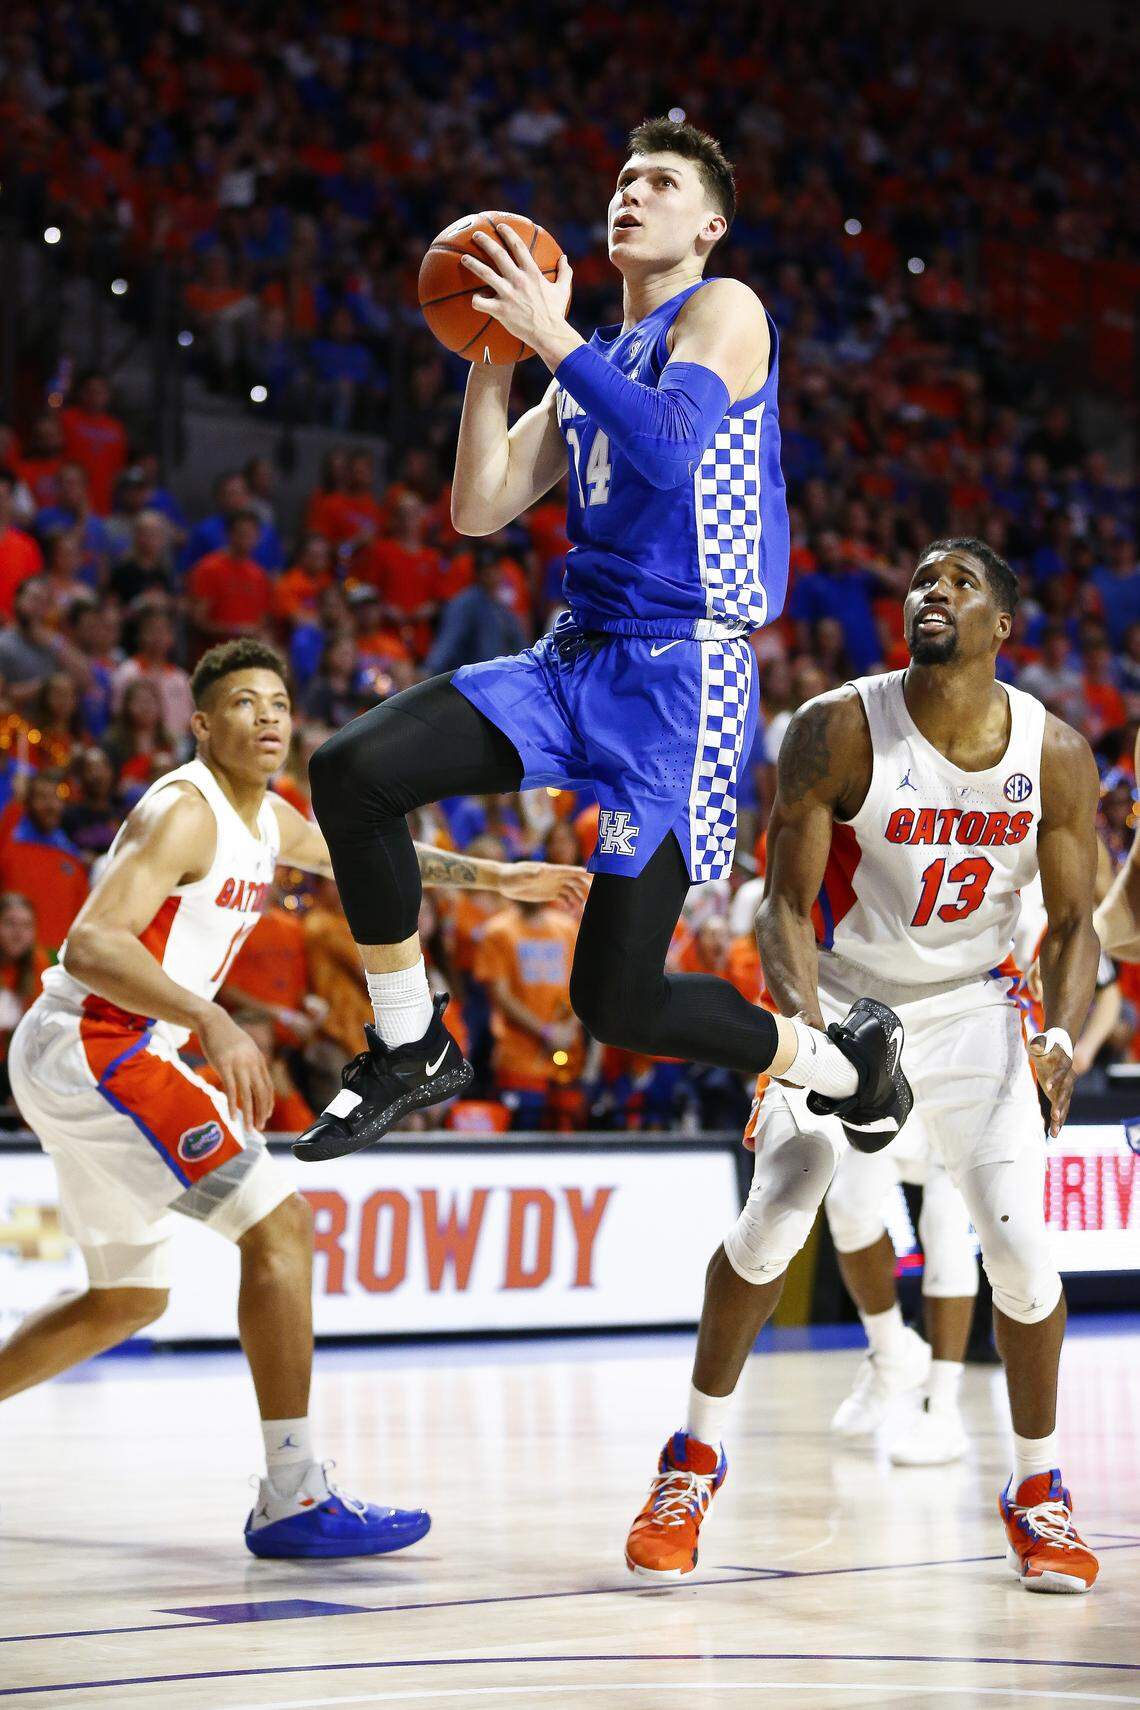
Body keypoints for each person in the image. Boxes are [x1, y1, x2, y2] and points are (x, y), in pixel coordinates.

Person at [296, 117, 907, 1163]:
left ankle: (846, 1067)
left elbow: (670, 447)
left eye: (661, 182)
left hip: (683, 683)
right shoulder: (593, 360)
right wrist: (491, 355)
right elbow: (479, 506)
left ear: (709, 222)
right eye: (624, 179)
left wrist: (548, 338)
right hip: (576, 658)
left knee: (616, 1004)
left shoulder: (725, 309)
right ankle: (409, 1043)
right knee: (352, 771)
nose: (632, 193)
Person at [0, 637, 589, 1556]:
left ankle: (291, 1490)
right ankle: (293, 1492)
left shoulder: (269, 820)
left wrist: (498, 876)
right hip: (98, 1041)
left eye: (277, 702)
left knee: (126, 1302)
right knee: (278, 1225)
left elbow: (373, 854)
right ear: (201, 724)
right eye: (243, 702)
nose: (268, 716)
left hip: (93, 1049)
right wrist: (215, 1020)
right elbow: (87, 944)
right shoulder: (183, 815)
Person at [624, 537, 1102, 1593]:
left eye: (959, 582)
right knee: (779, 1210)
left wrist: (1060, 1037)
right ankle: (691, 1462)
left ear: (1002, 626)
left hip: (976, 1010)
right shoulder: (837, 726)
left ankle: (1037, 1490)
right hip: (842, 996)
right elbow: (780, 907)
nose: (931, 592)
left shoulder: (1055, 753)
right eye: (921, 579)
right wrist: (808, 1039)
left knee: (1021, 1257)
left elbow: (1075, 926)